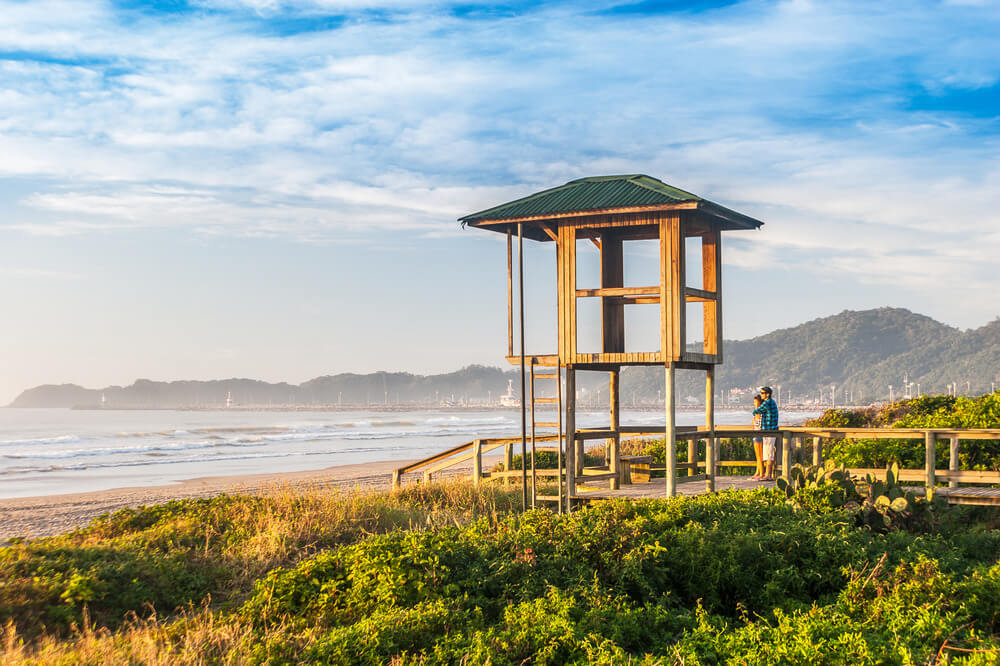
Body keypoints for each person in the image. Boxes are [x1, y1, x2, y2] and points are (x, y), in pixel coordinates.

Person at [752, 386, 779, 481]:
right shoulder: (770, 403)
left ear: (767, 394)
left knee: (769, 453)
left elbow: (756, 411)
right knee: (767, 453)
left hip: (770, 430)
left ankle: (768, 474)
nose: (761, 394)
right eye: (761, 393)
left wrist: (755, 411)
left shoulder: (768, 402)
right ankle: (767, 474)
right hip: (768, 430)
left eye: (762, 393)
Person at [750, 394, 764, 480]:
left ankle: (761, 473)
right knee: (757, 456)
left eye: (756, 402)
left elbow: (760, 424)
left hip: (760, 434)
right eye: (754, 402)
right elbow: (754, 423)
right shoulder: (757, 412)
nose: (755, 403)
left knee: (760, 456)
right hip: (755, 434)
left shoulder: (761, 412)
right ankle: (757, 472)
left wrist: (754, 421)